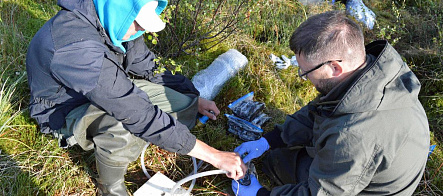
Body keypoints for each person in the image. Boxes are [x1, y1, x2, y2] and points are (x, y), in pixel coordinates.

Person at [25, 0, 246, 195]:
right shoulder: (74, 47)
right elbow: (136, 112)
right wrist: (215, 156)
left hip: (102, 89)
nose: (140, 30)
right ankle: (109, 187)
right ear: (119, 7)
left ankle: (162, 136)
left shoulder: (113, 19)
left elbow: (148, 66)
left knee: (180, 103)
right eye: (138, 23)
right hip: (64, 112)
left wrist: (194, 99)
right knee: (123, 125)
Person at [232, 10, 429, 196]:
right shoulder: (372, 74)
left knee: (277, 162)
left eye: (306, 72)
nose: (303, 76)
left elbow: (321, 193)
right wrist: (269, 140)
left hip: (364, 188)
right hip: (372, 162)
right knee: (278, 153)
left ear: (335, 67)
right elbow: (321, 110)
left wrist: (260, 193)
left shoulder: (353, 136)